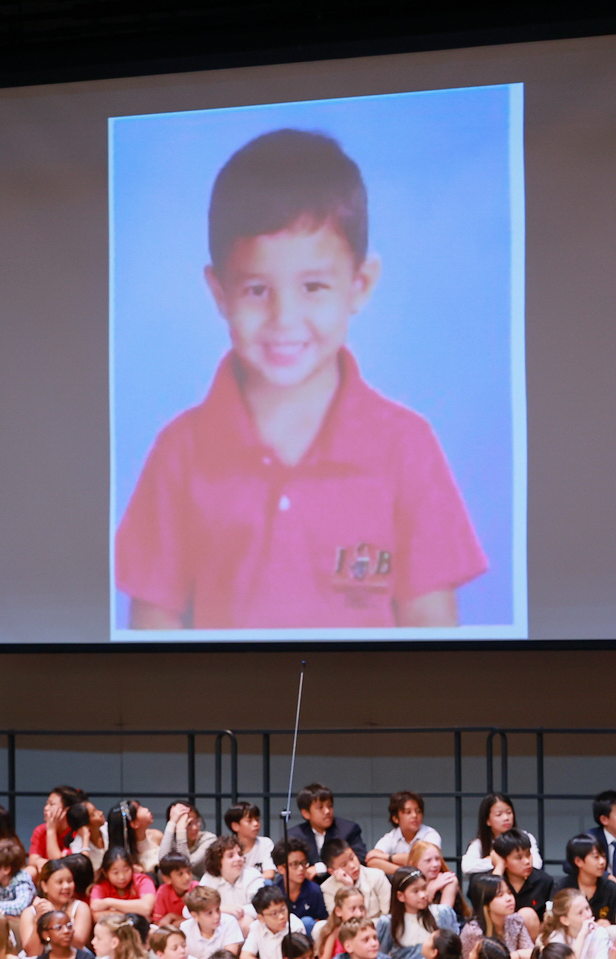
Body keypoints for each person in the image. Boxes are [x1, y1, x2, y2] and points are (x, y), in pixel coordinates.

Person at [114, 127, 486, 631]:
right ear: (219, 292)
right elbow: (153, 625)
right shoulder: (179, 452)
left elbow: (431, 624)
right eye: (256, 289)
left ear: (360, 285)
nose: (284, 318)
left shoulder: (406, 447)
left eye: (313, 286)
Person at [283, 782, 366, 872]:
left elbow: (360, 859)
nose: (327, 811)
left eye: (330, 806)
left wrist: (320, 868)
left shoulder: (348, 829)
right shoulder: (294, 836)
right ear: (305, 813)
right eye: (320, 807)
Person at [462, 794, 542, 876]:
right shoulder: (479, 843)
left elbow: (536, 864)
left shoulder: (525, 837)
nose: (506, 818)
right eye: (499, 814)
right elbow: (467, 867)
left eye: (509, 812)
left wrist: (501, 860)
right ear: (487, 820)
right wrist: (497, 861)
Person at [367, 791, 442, 873]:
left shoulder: (430, 834)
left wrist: (388, 858)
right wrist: (403, 873)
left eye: (418, 811)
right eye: (408, 812)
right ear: (395, 818)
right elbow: (372, 861)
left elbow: (423, 858)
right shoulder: (391, 837)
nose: (414, 816)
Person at [557, 834, 616, 924]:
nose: (602, 862)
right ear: (578, 861)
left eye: (603, 856)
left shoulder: (611, 888)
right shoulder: (562, 887)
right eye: (596, 857)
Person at [322, 837, 392, 921]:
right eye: (344, 865)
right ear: (332, 871)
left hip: (378, 927)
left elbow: (388, 914)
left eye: (352, 858)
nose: (352, 866)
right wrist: (349, 888)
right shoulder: (327, 888)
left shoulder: (377, 876)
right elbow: (337, 921)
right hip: (347, 931)